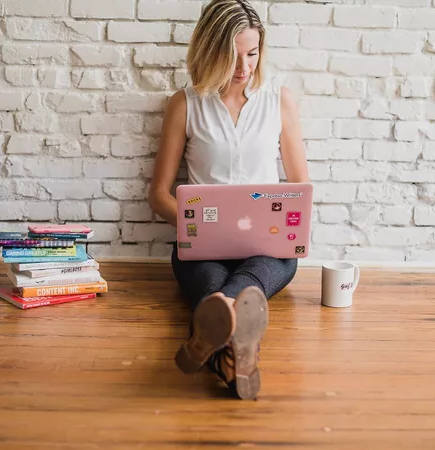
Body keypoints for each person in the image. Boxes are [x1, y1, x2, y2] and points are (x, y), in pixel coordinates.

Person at [148, 0, 309, 400]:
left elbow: (299, 188)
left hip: (268, 250)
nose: (244, 67)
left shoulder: (279, 101)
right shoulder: (185, 104)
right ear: (209, 50)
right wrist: (194, 226)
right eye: (232, 55)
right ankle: (239, 353)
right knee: (219, 283)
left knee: (230, 291)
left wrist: (292, 224)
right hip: (201, 249)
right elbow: (158, 195)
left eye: (252, 54)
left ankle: (213, 343)